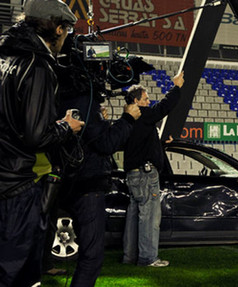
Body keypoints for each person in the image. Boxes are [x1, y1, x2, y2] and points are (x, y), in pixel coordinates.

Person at [0, 0, 84, 285]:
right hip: (16, 186)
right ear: (58, 29)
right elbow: (37, 136)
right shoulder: (37, 65)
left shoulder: (5, 53)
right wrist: (65, 127)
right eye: (67, 31)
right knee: (19, 274)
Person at [57, 91, 140, 286]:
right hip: (87, 186)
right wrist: (127, 118)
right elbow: (106, 144)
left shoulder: (63, 97)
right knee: (91, 255)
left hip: (68, 183)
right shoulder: (84, 99)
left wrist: (100, 123)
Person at [122, 71, 184, 267]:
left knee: (133, 217)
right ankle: (148, 258)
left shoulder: (128, 120)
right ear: (136, 101)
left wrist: (161, 143)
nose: (148, 102)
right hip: (145, 175)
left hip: (132, 174)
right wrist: (177, 87)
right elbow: (163, 108)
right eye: (146, 99)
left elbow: (141, 143)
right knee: (149, 217)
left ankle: (129, 257)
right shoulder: (142, 115)